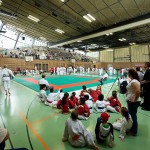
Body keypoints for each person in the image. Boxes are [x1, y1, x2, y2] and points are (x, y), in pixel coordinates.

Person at [126, 69, 141, 136]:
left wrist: (134, 100)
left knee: (133, 116)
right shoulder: (134, 80)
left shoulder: (134, 81)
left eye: (128, 73)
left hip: (133, 102)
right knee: (133, 115)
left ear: (130, 74)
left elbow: (138, 91)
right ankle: (132, 128)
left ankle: (134, 131)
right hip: (133, 101)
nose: (127, 74)